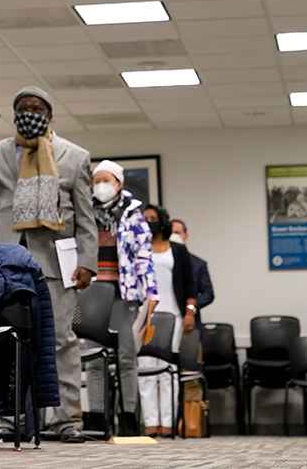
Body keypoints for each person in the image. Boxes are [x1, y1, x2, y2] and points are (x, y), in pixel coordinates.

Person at [0, 87, 97, 444]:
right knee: (4, 341)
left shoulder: (74, 157)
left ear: (50, 115)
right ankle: (8, 418)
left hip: (54, 262)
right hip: (3, 261)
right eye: (22, 108)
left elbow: (85, 218)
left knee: (61, 340)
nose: (29, 113)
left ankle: (65, 421)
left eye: (36, 108)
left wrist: (87, 262)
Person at [82, 160, 157, 437]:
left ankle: (127, 418)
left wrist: (151, 293)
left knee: (127, 356)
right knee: (92, 357)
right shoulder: (84, 210)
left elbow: (144, 256)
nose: (101, 185)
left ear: (119, 183)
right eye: (97, 180)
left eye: (107, 179)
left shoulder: (133, 212)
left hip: (123, 295)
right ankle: (97, 418)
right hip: (90, 293)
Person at [138, 205, 196, 437]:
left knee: (168, 369)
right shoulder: (138, 249)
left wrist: (190, 312)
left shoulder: (179, 251)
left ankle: (168, 422)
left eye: (153, 218)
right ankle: (151, 423)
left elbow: (190, 286)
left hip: (173, 315)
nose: (149, 222)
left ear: (162, 221)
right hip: (145, 315)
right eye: (145, 219)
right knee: (145, 367)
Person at [170, 218, 214, 330]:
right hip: (165, 318)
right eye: (170, 233)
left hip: (190, 320)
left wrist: (190, 307)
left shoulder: (198, 264)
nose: (173, 237)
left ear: (185, 236)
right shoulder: (159, 261)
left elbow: (208, 294)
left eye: (177, 233)